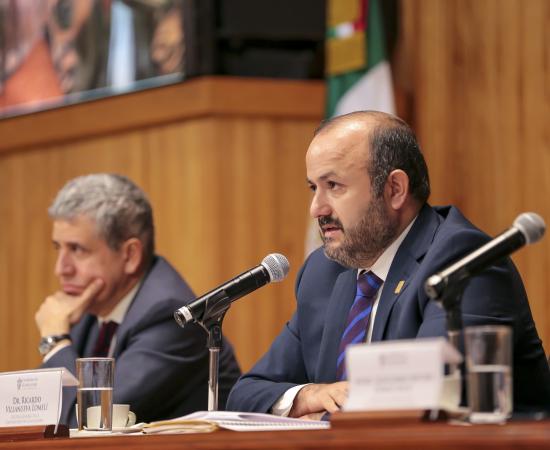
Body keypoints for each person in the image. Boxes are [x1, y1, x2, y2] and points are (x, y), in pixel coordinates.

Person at [226, 110, 550, 418]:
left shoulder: (462, 260)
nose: (316, 208)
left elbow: (427, 394)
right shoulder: (324, 272)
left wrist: (329, 417)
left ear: (395, 189)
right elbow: (246, 393)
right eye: (314, 187)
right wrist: (308, 396)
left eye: (333, 186)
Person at [36, 174, 241, 427]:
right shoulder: (88, 308)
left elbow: (89, 422)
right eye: (58, 248)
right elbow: (37, 415)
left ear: (130, 255)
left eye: (77, 249)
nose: (61, 269)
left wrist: (54, 341)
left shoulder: (170, 316)